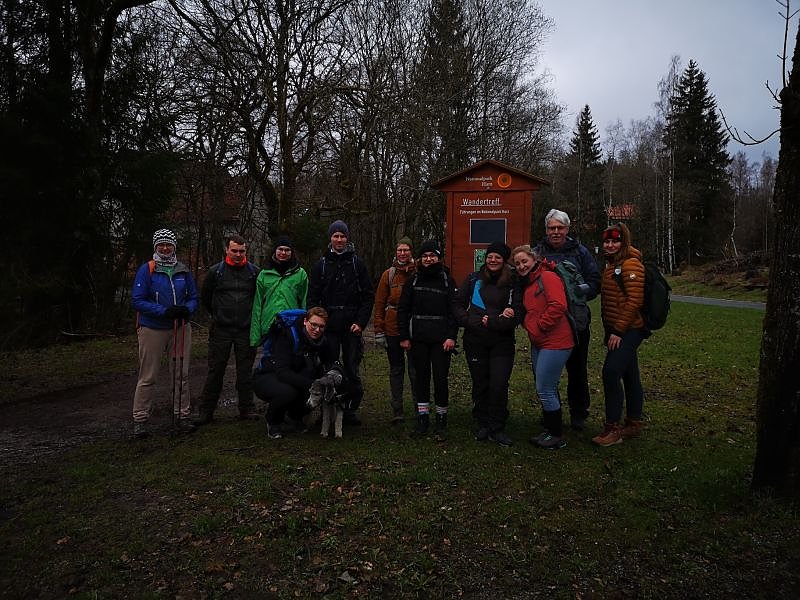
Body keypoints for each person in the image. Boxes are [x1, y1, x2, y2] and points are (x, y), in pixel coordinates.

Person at [534, 209, 601, 431]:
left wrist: (583, 292)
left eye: (559, 228)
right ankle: (551, 412)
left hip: (576, 321)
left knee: (577, 369)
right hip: (548, 323)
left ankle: (578, 413)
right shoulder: (538, 252)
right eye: (551, 228)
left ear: (567, 229)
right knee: (545, 372)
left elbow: (594, 281)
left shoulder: (580, 252)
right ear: (546, 230)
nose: (555, 232)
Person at [131, 228, 199, 438]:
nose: (165, 248)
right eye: (161, 244)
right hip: (152, 327)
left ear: (174, 247)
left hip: (180, 327)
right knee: (148, 374)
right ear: (155, 247)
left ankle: (182, 414)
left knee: (181, 373)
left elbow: (194, 296)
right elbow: (138, 300)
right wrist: (164, 311)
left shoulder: (183, 269)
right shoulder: (147, 269)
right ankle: (140, 419)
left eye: (168, 244)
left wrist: (187, 309)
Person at [452, 242, 521, 447]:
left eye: (497, 257)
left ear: (504, 260)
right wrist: (467, 320)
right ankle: (483, 422)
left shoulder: (512, 282)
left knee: (499, 384)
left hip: (502, 341)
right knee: (480, 383)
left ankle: (497, 426)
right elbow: (456, 304)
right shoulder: (474, 279)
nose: (492, 260)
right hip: (475, 340)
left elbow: (517, 311)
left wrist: (497, 320)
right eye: (490, 256)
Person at [308, 220, 374, 426]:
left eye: (342, 236)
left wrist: (360, 322)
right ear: (330, 238)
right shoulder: (321, 265)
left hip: (351, 327)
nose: (339, 240)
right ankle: (325, 409)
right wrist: (318, 323)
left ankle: (350, 408)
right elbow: (313, 297)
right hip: (329, 328)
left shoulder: (357, 264)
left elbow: (368, 296)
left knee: (351, 369)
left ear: (347, 238)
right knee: (327, 370)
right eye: (336, 236)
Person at [195, 235, 261, 426]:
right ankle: (206, 411)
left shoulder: (254, 273)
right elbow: (206, 298)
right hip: (221, 330)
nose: (238, 254)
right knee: (216, 371)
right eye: (235, 251)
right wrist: (218, 315)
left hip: (245, 329)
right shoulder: (216, 272)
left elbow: (259, 299)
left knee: (245, 371)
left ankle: (247, 408)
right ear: (227, 250)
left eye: (242, 251)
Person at [513, 245, 574, 449]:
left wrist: (540, 326)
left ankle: (556, 435)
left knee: (545, 388)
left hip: (556, 341)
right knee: (547, 386)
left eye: (524, 261)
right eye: (517, 263)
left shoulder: (547, 277)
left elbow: (558, 305)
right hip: (539, 342)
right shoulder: (528, 282)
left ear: (534, 259)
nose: (521, 266)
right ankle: (550, 429)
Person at [592, 223, 648, 447]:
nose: (610, 245)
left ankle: (612, 428)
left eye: (615, 241)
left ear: (624, 242)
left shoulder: (631, 264)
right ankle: (634, 422)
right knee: (630, 374)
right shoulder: (610, 266)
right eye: (607, 241)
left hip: (629, 329)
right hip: (617, 329)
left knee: (611, 371)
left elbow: (635, 301)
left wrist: (618, 331)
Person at [397, 240, 458, 440]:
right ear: (420, 259)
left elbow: (453, 312)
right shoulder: (413, 281)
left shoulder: (448, 281)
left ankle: (441, 418)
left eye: (432, 255)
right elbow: (403, 310)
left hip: (441, 341)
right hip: (418, 340)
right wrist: (404, 336)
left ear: (438, 258)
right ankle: (422, 418)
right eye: (425, 256)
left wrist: (451, 336)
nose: (429, 259)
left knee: (440, 379)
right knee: (421, 379)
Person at [253, 307, 336, 439]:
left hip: (296, 376)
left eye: (321, 326)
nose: (317, 330)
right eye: (313, 324)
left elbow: (330, 361)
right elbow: (282, 372)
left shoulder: (322, 341)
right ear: (305, 321)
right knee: (288, 392)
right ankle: (273, 420)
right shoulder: (287, 335)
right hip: (268, 376)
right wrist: (311, 384)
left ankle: (294, 416)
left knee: (319, 391)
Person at [372, 237, 418, 424]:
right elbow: (380, 302)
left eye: (406, 250)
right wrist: (378, 329)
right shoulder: (388, 275)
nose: (403, 253)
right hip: (392, 327)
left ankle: (419, 407)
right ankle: (397, 410)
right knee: (396, 369)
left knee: (416, 369)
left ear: (411, 252)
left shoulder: (419, 272)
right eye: (400, 250)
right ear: (395, 252)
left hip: (414, 326)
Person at [250, 235, 308, 348]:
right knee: (269, 361)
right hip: (268, 327)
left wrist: (304, 328)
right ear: (275, 251)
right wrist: (255, 337)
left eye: (287, 250)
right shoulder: (264, 274)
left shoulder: (300, 274)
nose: (283, 252)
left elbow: (304, 302)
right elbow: (257, 306)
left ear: (292, 252)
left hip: (292, 326)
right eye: (280, 249)